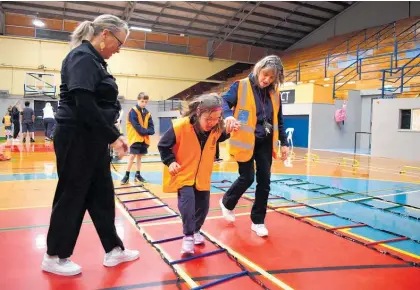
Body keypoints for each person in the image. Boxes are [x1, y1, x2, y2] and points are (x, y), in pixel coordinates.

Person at [42, 14, 139, 277]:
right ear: (105, 34)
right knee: (72, 194)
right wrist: (113, 135)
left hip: (92, 137)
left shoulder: (96, 61)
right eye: (119, 43)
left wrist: (109, 133)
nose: (119, 49)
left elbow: (98, 104)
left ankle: (113, 249)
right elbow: (84, 103)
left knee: (102, 193)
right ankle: (54, 255)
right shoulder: (82, 57)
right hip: (76, 135)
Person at [158, 93, 239, 255]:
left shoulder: (216, 128)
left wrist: (230, 130)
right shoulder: (180, 126)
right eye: (208, 119)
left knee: (203, 207)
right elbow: (163, 145)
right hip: (184, 174)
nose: (212, 123)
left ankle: (196, 231)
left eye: (216, 118)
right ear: (198, 113)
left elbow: (221, 136)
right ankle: (188, 236)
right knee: (187, 205)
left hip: (202, 176)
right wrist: (170, 161)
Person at [219, 55, 289, 237]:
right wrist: (228, 115)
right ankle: (227, 202)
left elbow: (279, 120)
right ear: (259, 69)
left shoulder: (275, 94)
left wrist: (285, 143)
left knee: (264, 181)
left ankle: (258, 221)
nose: (267, 80)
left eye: (272, 78)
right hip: (245, 140)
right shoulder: (241, 85)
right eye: (265, 75)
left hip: (265, 142)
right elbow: (224, 101)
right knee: (247, 177)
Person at [120, 92, 155, 184]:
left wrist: (148, 131)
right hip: (135, 138)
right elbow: (136, 126)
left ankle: (138, 175)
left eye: (145, 102)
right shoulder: (133, 111)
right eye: (142, 101)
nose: (144, 103)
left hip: (144, 138)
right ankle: (126, 175)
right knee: (132, 156)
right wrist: (147, 131)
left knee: (139, 157)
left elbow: (152, 127)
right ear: (138, 100)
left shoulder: (147, 113)